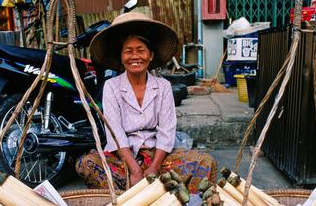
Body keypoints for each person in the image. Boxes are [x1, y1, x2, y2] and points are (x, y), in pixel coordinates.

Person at [76, 12, 217, 193]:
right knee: (86, 164)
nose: (135, 56)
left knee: (205, 162)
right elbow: (115, 133)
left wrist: (154, 167)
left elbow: (167, 130)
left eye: (141, 50)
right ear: (121, 57)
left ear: (150, 56)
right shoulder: (111, 86)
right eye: (128, 51)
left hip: (159, 155)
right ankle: (134, 198)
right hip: (124, 157)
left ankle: (159, 197)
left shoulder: (163, 86)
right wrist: (135, 169)